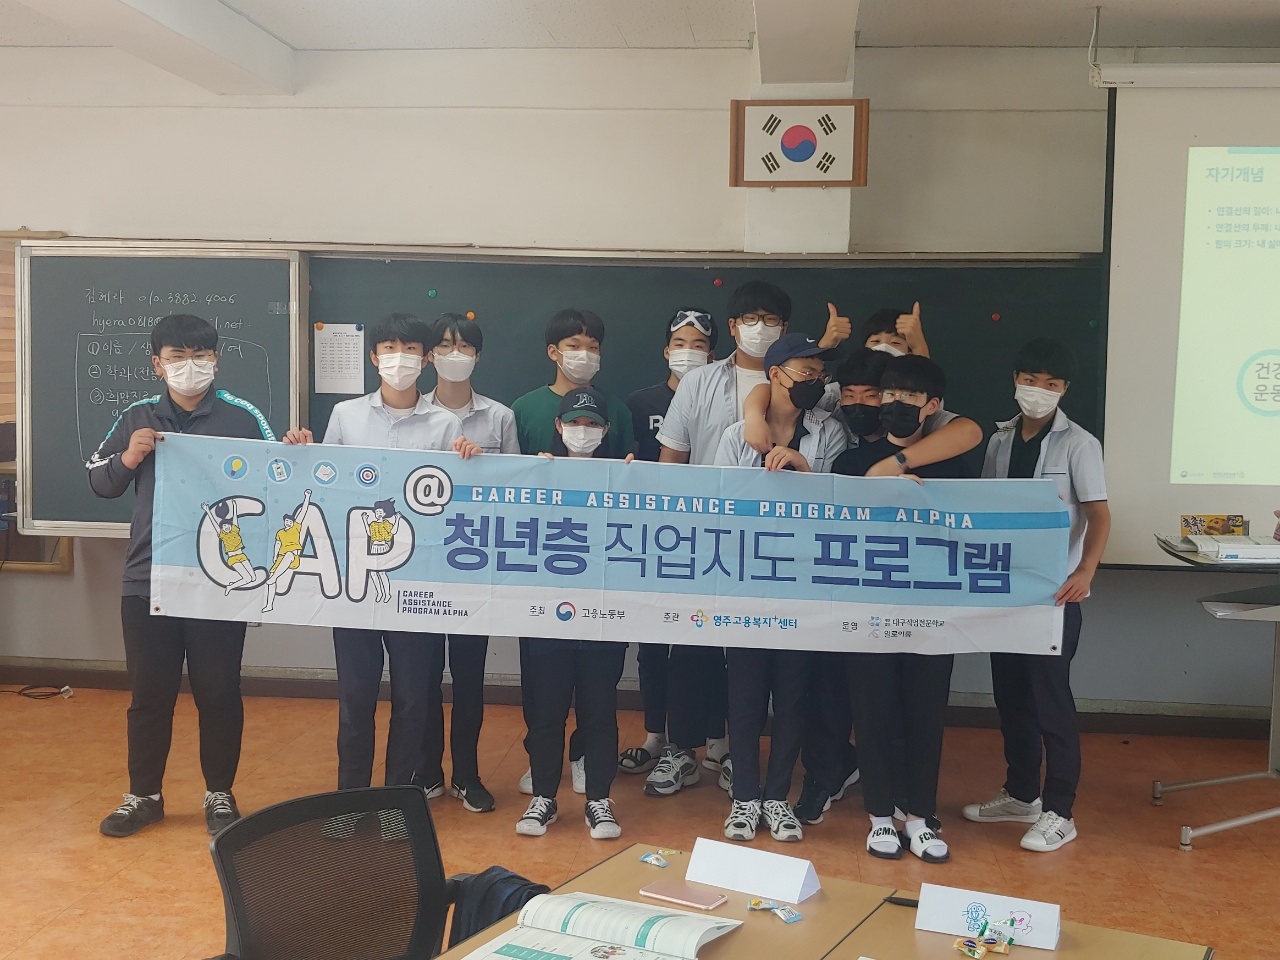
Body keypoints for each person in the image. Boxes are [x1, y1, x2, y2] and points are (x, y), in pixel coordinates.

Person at [87, 313, 275, 838]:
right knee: (150, 694)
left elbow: (278, 477)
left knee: (219, 691)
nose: (190, 366)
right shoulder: (137, 415)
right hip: (147, 577)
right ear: (157, 364)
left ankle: (220, 793)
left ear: (216, 359)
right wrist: (130, 456)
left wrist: (297, 446)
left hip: (217, 579)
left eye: (200, 356)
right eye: (177, 357)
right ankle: (143, 795)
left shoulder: (242, 416)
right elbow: (100, 482)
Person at [282, 312, 481, 798]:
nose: (400, 359)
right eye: (389, 349)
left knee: (414, 699)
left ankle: (396, 800)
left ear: (426, 359)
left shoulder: (446, 424)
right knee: (356, 698)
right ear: (373, 358)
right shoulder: (345, 416)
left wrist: (470, 461)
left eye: (410, 350)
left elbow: (452, 501)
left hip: (413, 583)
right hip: (354, 581)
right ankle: (351, 798)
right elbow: (324, 486)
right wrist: (301, 451)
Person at [654, 281, 816, 793]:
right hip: (704, 539)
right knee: (692, 647)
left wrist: (755, 410)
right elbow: (672, 459)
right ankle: (681, 750)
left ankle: (732, 753)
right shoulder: (699, 381)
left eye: (771, 319)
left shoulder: (809, 384)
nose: (759, 327)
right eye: (750, 318)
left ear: (785, 328)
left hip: (779, 550)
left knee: (750, 659)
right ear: (732, 326)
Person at [962, 338, 1110, 853]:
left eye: (1051, 384)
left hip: (1055, 594)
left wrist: (1086, 571)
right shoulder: (1000, 440)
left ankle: (1060, 811)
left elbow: (1099, 515)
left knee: (1051, 703)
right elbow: (989, 507)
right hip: (1008, 589)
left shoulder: (1080, 444)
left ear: (1064, 389)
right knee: (1011, 698)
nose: (1039, 390)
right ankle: (1022, 794)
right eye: (1031, 380)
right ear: (1016, 380)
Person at [833, 353, 972, 864]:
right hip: (867, 612)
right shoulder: (851, 464)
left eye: (909, 396)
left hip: (933, 614)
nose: (895, 403)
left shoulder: (953, 466)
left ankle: (920, 816)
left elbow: (969, 534)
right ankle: (878, 817)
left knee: (925, 714)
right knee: (872, 713)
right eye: (889, 394)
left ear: (932, 406)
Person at [713, 333, 847, 843]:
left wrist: (805, 471)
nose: (815, 381)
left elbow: (840, 507)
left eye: (819, 374)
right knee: (745, 697)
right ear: (775, 375)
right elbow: (719, 506)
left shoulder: (828, 433)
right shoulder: (736, 436)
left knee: (792, 697)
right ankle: (745, 797)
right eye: (804, 372)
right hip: (747, 585)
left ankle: (777, 797)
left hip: (804, 586)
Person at [511, 309, 635, 798]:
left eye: (592, 345)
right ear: (553, 351)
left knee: (597, 679)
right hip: (542, 566)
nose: (584, 354)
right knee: (540, 677)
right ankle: (541, 760)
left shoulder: (617, 409)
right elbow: (509, 480)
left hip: (601, 563)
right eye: (574, 345)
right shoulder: (523, 408)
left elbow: (629, 473)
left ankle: (584, 756)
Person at [421, 311, 521, 813]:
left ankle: (467, 774)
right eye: (444, 346)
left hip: (474, 564)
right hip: (419, 564)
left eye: (464, 347)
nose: (454, 355)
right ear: (429, 355)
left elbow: (515, 489)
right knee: (420, 678)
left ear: (478, 356)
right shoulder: (412, 413)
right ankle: (425, 771)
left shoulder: (500, 417)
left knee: (468, 677)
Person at [791, 348, 893, 826]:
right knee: (826, 691)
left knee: (881, 701)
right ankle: (823, 776)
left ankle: (890, 792)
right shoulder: (844, 457)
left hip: (893, 599)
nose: (858, 404)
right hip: (839, 590)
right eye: (848, 395)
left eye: (870, 395)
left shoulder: (923, 450)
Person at [619, 309, 718, 778]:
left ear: (713, 356)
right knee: (653, 642)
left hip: (711, 536)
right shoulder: (640, 402)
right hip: (653, 536)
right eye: (680, 343)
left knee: (706, 641)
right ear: (665, 350)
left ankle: (713, 738)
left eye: (699, 345)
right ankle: (655, 734)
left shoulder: (722, 400)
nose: (688, 352)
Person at [743, 303, 981, 477]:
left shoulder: (911, 406)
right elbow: (781, 387)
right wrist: (753, 417)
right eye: (875, 343)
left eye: (872, 395)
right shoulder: (837, 397)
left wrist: (896, 463)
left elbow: (968, 431)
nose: (858, 402)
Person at [261, 489, 313, 613]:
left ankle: (274, 577)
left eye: (290, 521)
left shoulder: (296, 527)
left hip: (293, 556)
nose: (288, 523)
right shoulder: (280, 532)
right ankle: (269, 605)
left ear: (293, 522)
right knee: (271, 579)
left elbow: (303, 512)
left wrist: (307, 497)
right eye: (286, 521)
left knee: (288, 555)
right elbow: (277, 544)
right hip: (281, 557)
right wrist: (275, 556)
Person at [201, 499, 256, 595]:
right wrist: (207, 510)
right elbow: (214, 524)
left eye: (227, 525)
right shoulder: (222, 534)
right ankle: (230, 587)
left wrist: (234, 507)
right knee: (247, 578)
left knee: (253, 578)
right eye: (224, 526)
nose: (226, 527)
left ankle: (234, 584)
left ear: (230, 525)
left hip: (242, 555)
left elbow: (235, 518)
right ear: (222, 528)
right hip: (233, 558)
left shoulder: (235, 530)